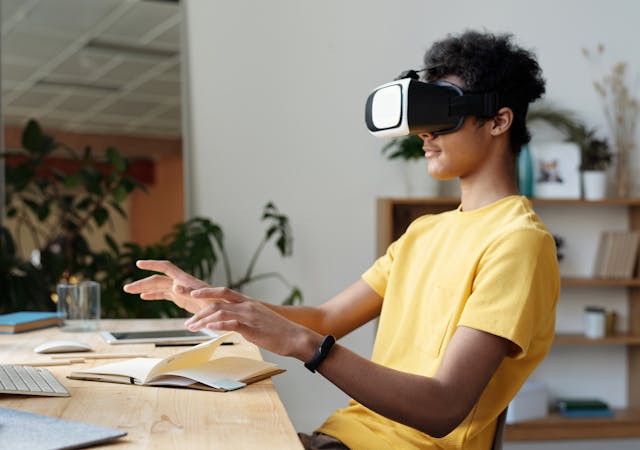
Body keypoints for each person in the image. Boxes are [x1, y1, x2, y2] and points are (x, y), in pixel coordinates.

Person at [124, 30, 559, 450]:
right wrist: (225, 305)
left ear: (500, 120)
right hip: (338, 438)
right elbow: (326, 317)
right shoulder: (425, 232)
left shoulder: (517, 241)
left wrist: (305, 346)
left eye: (442, 113)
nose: (424, 133)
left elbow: (444, 405)